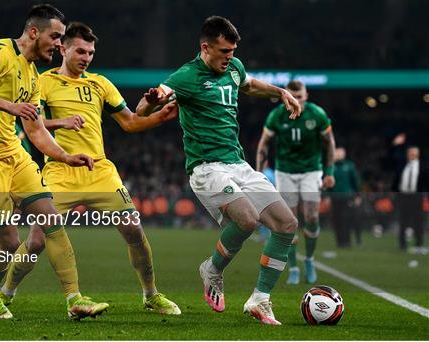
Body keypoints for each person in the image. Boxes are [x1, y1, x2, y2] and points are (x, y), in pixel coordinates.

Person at [0, 22, 181, 315]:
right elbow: (29, 124)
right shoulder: (41, 82)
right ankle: (5, 294)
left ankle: (150, 295)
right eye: (80, 51)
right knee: (35, 242)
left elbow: (130, 122)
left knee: (134, 229)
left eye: (91, 53)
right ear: (63, 49)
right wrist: (61, 122)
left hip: (99, 170)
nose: (86, 57)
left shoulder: (100, 83)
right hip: (59, 170)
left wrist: (158, 115)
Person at [136, 16, 301, 325]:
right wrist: (151, 102)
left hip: (238, 163)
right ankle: (212, 269)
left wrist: (280, 92)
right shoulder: (186, 76)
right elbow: (144, 109)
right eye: (225, 51)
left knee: (287, 224)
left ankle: (260, 299)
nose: (230, 57)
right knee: (248, 219)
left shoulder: (233, 68)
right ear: (206, 47)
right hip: (206, 168)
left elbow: (250, 85)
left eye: (233, 51)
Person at [0, 4, 107, 320]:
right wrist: (8, 106)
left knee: (51, 219)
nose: (59, 45)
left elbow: (35, 129)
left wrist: (64, 156)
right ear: (34, 32)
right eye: (56, 36)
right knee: (9, 242)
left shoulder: (33, 75)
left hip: (13, 154)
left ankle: (75, 299)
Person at [256, 80, 336, 285]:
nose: (296, 101)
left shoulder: (316, 114)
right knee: (289, 222)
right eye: (293, 97)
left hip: (311, 171)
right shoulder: (276, 115)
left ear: (306, 96)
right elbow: (264, 144)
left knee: (311, 216)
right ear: (286, 97)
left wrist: (330, 172)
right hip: (285, 173)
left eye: (299, 97)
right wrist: (258, 172)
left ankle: (309, 259)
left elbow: (330, 143)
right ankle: (292, 268)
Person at [393, 146, 428, 253]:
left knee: (418, 222)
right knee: (403, 222)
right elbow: (397, 180)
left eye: (414, 153)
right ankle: (402, 245)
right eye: (411, 153)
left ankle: (419, 244)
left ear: (418, 154)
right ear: (407, 154)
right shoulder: (402, 165)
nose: (412, 155)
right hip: (403, 196)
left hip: (417, 196)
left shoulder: (423, 166)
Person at [330, 147, 362, 247]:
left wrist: (357, 195)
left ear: (344, 154)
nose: (338, 155)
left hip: (347, 197)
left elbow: (355, 181)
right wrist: (327, 196)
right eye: (337, 153)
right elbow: (328, 183)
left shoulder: (349, 165)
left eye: (340, 153)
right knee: (336, 219)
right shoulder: (331, 166)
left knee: (346, 219)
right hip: (334, 197)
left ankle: (347, 242)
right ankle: (339, 242)